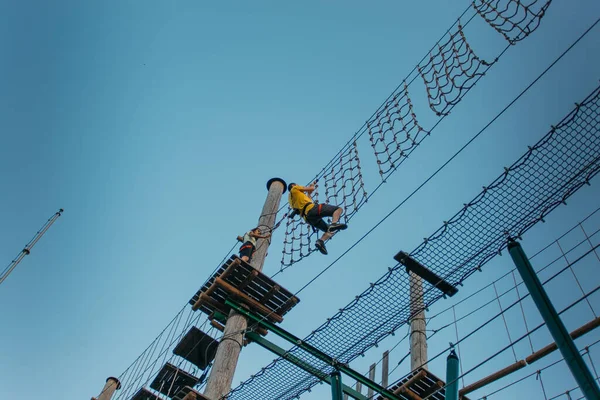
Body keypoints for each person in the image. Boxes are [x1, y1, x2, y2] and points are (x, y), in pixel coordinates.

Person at [287, 182, 347, 255]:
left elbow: (308, 198)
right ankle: (333, 224)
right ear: (293, 185)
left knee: (330, 231)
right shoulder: (295, 188)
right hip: (312, 209)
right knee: (338, 210)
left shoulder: (291, 200)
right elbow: (312, 189)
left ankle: (320, 241)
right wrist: (312, 186)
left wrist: (309, 191)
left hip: (308, 218)